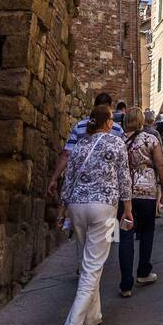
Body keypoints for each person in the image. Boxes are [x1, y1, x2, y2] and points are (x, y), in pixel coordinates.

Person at [60, 103, 133, 325]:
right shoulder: (116, 143)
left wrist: (63, 209)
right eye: (112, 119)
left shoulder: (80, 145)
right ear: (108, 122)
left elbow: (68, 179)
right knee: (92, 267)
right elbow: (124, 178)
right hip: (103, 206)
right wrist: (128, 209)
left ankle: (93, 318)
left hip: (77, 206)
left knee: (87, 262)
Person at [48, 92, 123, 273]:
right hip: (107, 191)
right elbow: (122, 162)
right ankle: (99, 260)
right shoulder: (117, 129)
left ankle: (83, 263)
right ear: (110, 108)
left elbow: (67, 154)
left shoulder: (80, 126)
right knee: (105, 229)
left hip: (80, 192)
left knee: (82, 233)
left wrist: (55, 177)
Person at [118, 106, 163, 295]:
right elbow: (160, 164)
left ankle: (126, 284)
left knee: (125, 235)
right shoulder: (151, 139)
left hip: (124, 194)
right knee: (147, 231)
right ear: (141, 120)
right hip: (147, 192)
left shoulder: (118, 141)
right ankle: (143, 272)